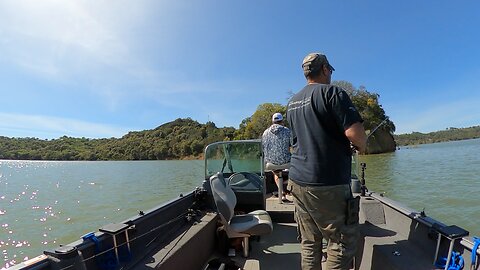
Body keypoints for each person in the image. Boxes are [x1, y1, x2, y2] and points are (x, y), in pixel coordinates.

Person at [286, 53, 367, 270]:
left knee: (310, 242)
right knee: (341, 243)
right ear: (324, 69)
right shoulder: (333, 93)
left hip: (297, 180)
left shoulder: (291, 103)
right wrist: (362, 145)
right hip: (327, 182)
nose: (330, 73)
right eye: (330, 69)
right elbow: (355, 134)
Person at [261, 112, 291, 202]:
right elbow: (293, 145)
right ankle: (288, 185)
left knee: (276, 173)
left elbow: (263, 148)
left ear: (272, 121)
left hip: (270, 163)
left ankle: (281, 194)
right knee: (298, 166)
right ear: (282, 121)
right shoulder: (287, 131)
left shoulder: (265, 133)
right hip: (286, 161)